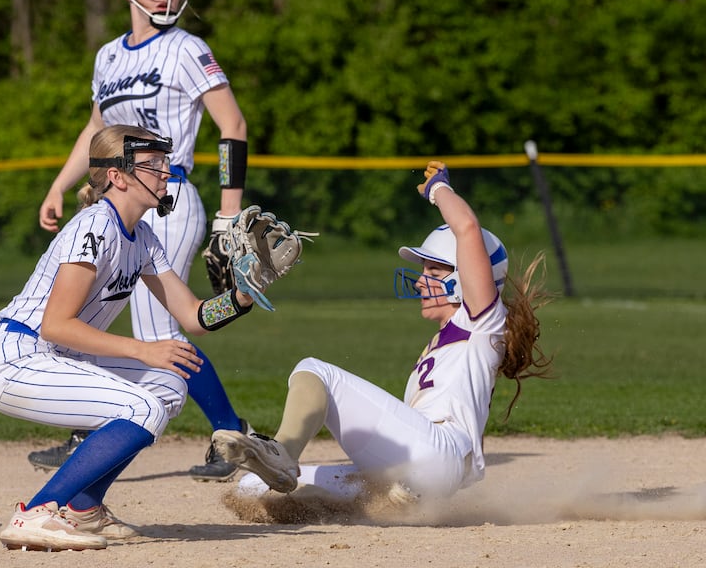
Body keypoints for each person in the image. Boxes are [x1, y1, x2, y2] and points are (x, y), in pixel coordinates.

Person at [0, 125, 260, 551]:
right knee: (140, 405)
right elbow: (56, 325)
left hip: (56, 358)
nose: (165, 172)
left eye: (165, 163)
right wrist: (142, 349)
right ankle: (36, 512)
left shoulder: (143, 237)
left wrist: (241, 295)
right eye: (153, 164)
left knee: (170, 382)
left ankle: (83, 508)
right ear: (118, 176)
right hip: (16, 359)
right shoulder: (95, 228)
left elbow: (194, 317)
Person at [33, 0, 251, 481]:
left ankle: (231, 432)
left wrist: (229, 214)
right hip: (116, 202)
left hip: (169, 197)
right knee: (85, 317)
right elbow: (95, 130)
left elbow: (233, 126)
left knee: (164, 329)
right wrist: (61, 185)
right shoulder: (108, 55)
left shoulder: (186, 47)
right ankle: (92, 424)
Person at [212, 160, 552, 502]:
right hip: (421, 470)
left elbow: (466, 227)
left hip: (436, 454)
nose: (420, 280)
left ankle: (282, 453)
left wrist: (439, 188)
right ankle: (388, 501)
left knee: (314, 370)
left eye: (432, 270)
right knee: (252, 489)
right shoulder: (443, 342)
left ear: (463, 280)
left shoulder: (480, 322)